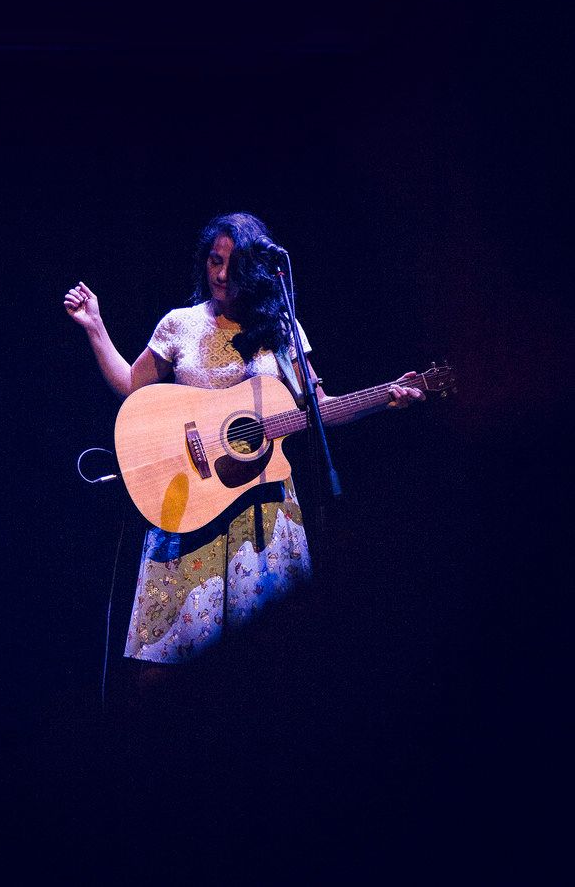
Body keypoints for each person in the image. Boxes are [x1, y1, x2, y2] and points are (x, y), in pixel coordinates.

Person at [64, 211, 425, 682]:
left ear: (254, 271)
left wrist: (384, 399)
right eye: (213, 261)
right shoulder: (180, 324)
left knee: (267, 671)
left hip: (264, 514)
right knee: (172, 671)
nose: (219, 275)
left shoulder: (282, 331)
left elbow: (320, 410)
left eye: (231, 267)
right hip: (189, 504)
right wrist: (95, 327)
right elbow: (133, 390)